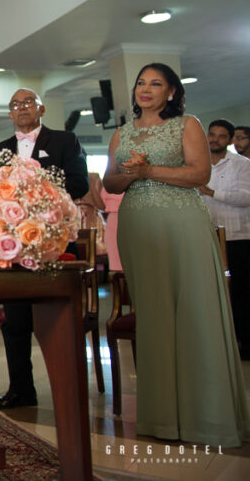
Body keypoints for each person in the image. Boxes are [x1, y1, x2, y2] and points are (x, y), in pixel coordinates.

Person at [104, 64, 248, 446]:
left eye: (155, 83)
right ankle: (161, 419)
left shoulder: (187, 124)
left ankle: (208, 416)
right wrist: (130, 174)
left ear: (171, 92)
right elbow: (110, 181)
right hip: (138, 225)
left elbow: (200, 175)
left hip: (183, 220)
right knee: (153, 314)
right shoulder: (122, 132)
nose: (145, 89)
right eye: (140, 83)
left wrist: (149, 169)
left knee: (194, 309)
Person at [0, 89, 88, 410]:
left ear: (41, 108)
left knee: (59, 320)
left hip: (55, 243)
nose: (22, 108)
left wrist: (35, 191)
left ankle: (70, 390)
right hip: (13, 245)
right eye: (15, 105)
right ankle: (21, 389)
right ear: (9, 114)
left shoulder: (64, 141)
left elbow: (79, 184)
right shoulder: (0, 150)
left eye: (28, 102)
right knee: (14, 322)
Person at [200, 119, 250, 360]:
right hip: (206, 236)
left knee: (240, 293)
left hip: (238, 236)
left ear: (229, 140)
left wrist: (211, 192)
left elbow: (245, 197)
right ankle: (216, 344)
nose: (214, 139)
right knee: (210, 291)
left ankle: (244, 343)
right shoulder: (197, 163)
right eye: (212, 134)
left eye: (221, 136)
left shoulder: (242, 164)